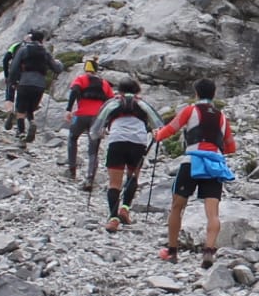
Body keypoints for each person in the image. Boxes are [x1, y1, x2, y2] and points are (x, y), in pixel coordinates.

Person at [150, 79, 238, 268]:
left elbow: (170, 129)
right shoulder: (222, 117)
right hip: (214, 164)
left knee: (177, 206)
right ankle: (209, 251)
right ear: (214, 95)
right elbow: (231, 146)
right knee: (212, 212)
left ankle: (172, 251)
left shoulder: (190, 110)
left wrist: (156, 135)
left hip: (191, 162)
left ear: (196, 93)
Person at [90, 79, 163, 232]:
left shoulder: (113, 103)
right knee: (132, 177)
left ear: (119, 90)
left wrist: (98, 135)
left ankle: (113, 218)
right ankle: (125, 209)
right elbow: (159, 124)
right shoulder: (142, 104)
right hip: (138, 142)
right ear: (138, 91)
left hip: (117, 140)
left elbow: (96, 127)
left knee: (114, 183)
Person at [63, 58, 115, 186]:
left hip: (80, 116)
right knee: (93, 148)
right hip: (97, 118)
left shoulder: (81, 79)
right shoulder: (104, 84)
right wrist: (107, 122)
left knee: (73, 138)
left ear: (86, 69)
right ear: (96, 71)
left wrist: (69, 109)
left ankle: (72, 170)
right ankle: (90, 178)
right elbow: (111, 102)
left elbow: (74, 91)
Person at [7, 31, 57, 143]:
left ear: (31, 38)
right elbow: (56, 68)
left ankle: (21, 133)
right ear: (42, 40)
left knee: (20, 109)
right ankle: (32, 122)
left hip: (25, 82)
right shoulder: (45, 52)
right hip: (39, 85)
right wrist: (59, 64)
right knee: (30, 108)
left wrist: (12, 81)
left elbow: (14, 66)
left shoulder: (23, 50)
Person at [0, 37, 26, 130]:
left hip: (14, 74)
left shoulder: (16, 45)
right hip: (26, 77)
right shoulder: (37, 49)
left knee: (9, 96)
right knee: (22, 98)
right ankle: (20, 118)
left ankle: (10, 112)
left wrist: (6, 75)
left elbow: (5, 59)